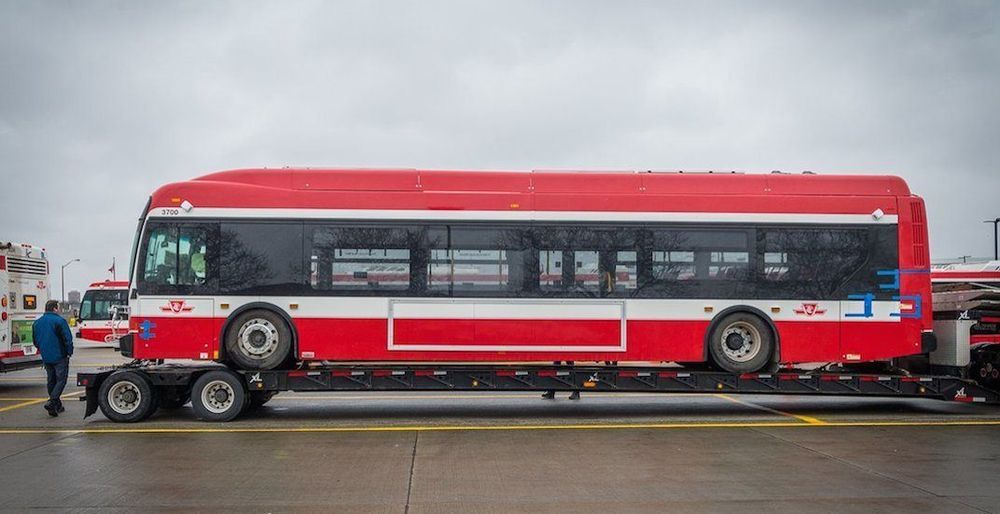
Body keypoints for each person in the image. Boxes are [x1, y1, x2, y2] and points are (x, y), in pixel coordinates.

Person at [32, 300, 74, 417]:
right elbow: (67, 339)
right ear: (55, 308)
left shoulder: (37, 323)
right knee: (61, 380)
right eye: (58, 308)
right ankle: (52, 402)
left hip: (46, 356)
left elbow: (35, 341)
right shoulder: (59, 321)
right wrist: (69, 352)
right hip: (59, 355)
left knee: (51, 380)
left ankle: (56, 406)